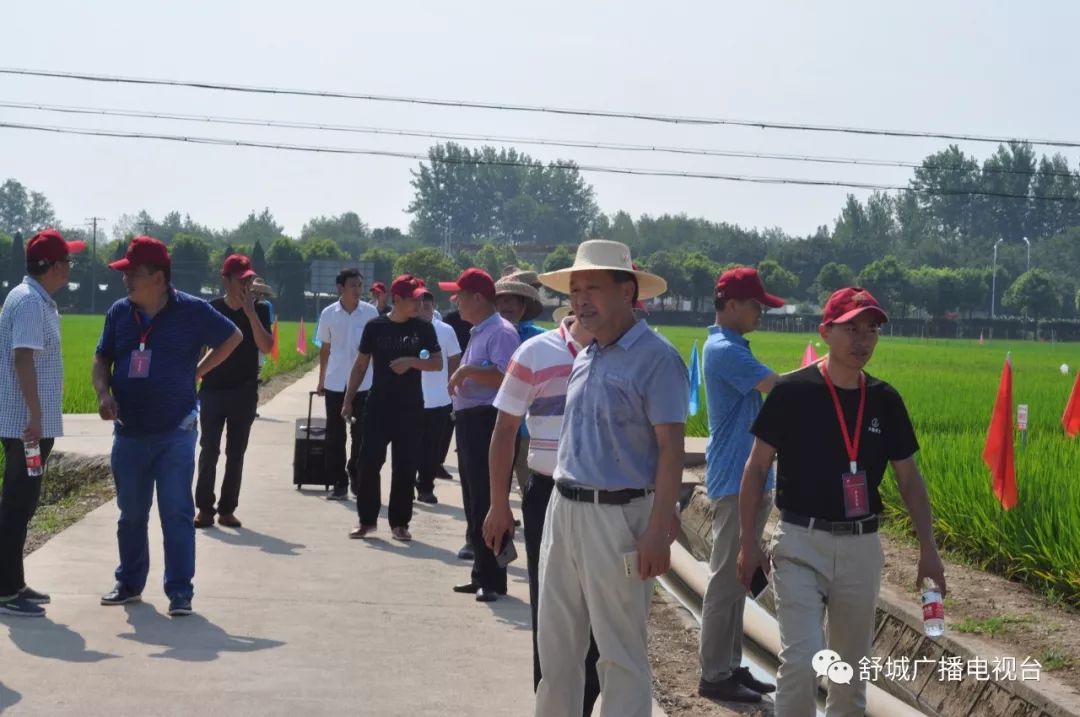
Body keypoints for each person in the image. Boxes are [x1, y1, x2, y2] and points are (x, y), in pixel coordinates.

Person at [737, 287, 947, 717]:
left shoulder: (886, 401)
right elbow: (756, 468)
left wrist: (929, 550)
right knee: (801, 661)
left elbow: (910, 479)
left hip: (860, 547)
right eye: (851, 328)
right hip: (800, 541)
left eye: (871, 329)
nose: (863, 339)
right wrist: (748, 542)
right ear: (825, 332)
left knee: (850, 675)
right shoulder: (792, 392)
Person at [532, 240, 688, 716]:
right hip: (564, 510)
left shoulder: (657, 359)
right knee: (556, 650)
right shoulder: (588, 352)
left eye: (592, 288)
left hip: (618, 517)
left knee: (619, 653)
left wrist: (659, 528)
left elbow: (670, 448)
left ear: (628, 292)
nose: (581, 299)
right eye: (575, 289)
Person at [92, 236, 242, 617]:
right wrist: (102, 394)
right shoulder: (119, 313)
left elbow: (233, 337)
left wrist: (197, 372)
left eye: (132, 273)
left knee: (176, 512)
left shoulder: (192, 311)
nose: (125, 280)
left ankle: (179, 591)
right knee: (131, 514)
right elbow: (101, 359)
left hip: (175, 429)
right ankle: (129, 583)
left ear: (158, 277)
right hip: (128, 431)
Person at [483, 307, 601, 715]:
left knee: (604, 620)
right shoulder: (535, 352)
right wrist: (499, 504)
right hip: (548, 494)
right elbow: (504, 430)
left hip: (613, 502)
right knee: (552, 617)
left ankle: (585, 705)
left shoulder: (633, 354)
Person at [697, 267, 784, 703]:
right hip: (735, 478)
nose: (760, 314)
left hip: (746, 477)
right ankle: (714, 673)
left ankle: (729, 666)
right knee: (726, 580)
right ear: (730, 305)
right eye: (755, 306)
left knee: (738, 576)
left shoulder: (731, 347)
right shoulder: (724, 350)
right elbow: (779, 389)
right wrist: (832, 367)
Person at [0, 229, 84, 617]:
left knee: (25, 501)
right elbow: (23, 360)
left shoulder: (37, 300)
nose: (69, 267)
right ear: (50, 266)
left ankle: (15, 582)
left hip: (32, 428)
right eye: (66, 261)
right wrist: (34, 416)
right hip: (27, 429)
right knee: (17, 503)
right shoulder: (31, 303)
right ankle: (4, 590)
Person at [437, 268, 519, 601]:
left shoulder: (500, 332)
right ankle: (481, 572)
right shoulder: (479, 330)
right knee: (473, 500)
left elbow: (506, 377)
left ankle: (494, 579)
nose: (454, 302)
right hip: (471, 420)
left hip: (487, 421)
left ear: (478, 298)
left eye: (459, 295)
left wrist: (468, 370)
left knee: (487, 499)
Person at [342, 275, 442, 541]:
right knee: (369, 463)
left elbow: (436, 363)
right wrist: (348, 399)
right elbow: (361, 364)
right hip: (378, 406)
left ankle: (400, 523)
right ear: (397, 300)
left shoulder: (424, 329)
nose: (419, 302)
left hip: (410, 407)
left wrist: (411, 361)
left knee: (405, 466)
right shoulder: (375, 327)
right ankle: (366, 521)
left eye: (421, 297)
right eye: (414, 298)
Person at [194, 255, 274, 529]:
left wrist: (251, 314)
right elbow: (200, 349)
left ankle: (227, 509)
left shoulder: (261, 309)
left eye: (249, 279)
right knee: (209, 449)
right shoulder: (210, 309)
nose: (246, 285)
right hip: (213, 390)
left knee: (236, 452)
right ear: (225, 280)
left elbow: (266, 346)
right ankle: (204, 508)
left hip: (244, 391)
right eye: (241, 279)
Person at [316, 268, 379, 500]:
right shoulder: (328, 314)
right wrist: (321, 379)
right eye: (352, 285)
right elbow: (325, 348)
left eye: (360, 285)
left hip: (364, 383)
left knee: (361, 434)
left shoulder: (371, 313)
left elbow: (376, 350)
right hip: (335, 382)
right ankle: (338, 482)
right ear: (340, 288)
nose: (357, 289)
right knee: (335, 434)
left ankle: (355, 472)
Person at [494, 278, 545, 496]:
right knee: (493, 487)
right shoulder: (486, 334)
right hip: (492, 423)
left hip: (527, 428)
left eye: (512, 301)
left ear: (523, 307)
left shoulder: (540, 339)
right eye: (502, 300)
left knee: (530, 489)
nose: (507, 306)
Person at [416, 289, 462, 504]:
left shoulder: (445, 330)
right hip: (410, 399)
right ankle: (406, 484)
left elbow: (454, 359)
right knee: (409, 446)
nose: (423, 309)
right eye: (419, 305)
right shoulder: (406, 329)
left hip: (439, 399)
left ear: (433, 307)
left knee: (431, 447)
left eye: (427, 305)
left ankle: (425, 486)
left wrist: (451, 387)